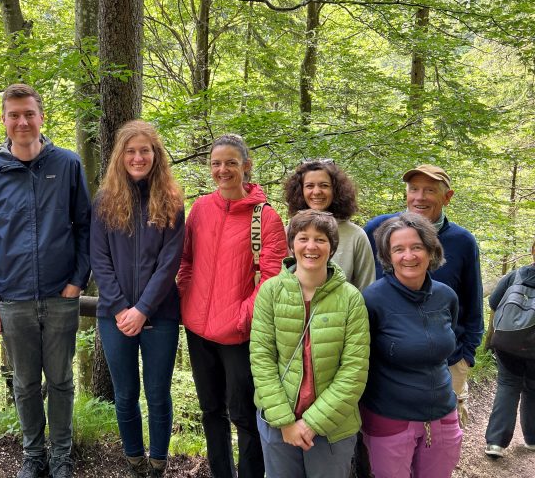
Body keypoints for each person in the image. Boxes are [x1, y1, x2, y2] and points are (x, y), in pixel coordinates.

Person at [0, 83, 91, 478]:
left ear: (41, 117)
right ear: (4, 120)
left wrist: (77, 280)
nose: (22, 122)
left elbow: (84, 227)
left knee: (60, 380)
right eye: (13, 115)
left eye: (28, 114)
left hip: (61, 294)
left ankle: (60, 457)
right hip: (13, 296)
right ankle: (33, 455)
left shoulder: (68, 164)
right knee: (24, 384)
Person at [177, 134, 288, 478]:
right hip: (198, 330)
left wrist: (240, 318)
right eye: (216, 163)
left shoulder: (266, 218)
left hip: (240, 334)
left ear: (246, 166)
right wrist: (187, 299)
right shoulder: (200, 209)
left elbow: (271, 281)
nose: (222, 170)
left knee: (243, 414)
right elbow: (185, 261)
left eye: (230, 163)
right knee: (211, 410)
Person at [91, 120, 185, 477]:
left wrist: (143, 309)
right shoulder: (104, 201)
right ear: (120, 157)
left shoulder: (172, 201)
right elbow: (99, 258)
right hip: (113, 316)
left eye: (145, 150)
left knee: (158, 394)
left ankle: (158, 463)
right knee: (126, 395)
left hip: (159, 315)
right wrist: (120, 308)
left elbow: (169, 262)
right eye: (130, 151)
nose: (138, 157)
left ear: (155, 154)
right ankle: (134, 462)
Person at [250, 209, 370, 478]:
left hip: (333, 427)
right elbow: (261, 358)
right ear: (292, 243)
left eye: (320, 239)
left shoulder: (350, 299)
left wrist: (312, 423)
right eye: (303, 238)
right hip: (278, 421)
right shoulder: (270, 292)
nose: (311, 246)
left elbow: (354, 370)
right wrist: (285, 421)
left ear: (332, 247)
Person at [364, 164, 483, 428]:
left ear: (447, 197)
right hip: (387, 361)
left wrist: (465, 355)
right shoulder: (377, 229)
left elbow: (473, 302)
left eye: (429, 190)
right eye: (414, 189)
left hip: (447, 361)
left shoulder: (462, 241)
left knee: (443, 438)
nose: (419, 197)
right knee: (387, 437)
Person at [362, 212, 462, 478]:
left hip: (442, 415)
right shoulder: (372, 300)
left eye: (417, 247)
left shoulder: (446, 296)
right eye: (399, 249)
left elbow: (448, 342)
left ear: (430, 251)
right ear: (388, 256)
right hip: (390, 419)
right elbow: (359, 361)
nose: (409, 256)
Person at [284, 160, 375, 290]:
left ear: (336, 190)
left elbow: (366, 288)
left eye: (324, 185)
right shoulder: (288, 232)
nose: (316, 192)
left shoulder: (355, 235)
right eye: (309, 186)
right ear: (300, 191)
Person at [484, 239, 535, 458]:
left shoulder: (515, 275)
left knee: (507, 386)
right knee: (533, 390)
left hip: (508, 343)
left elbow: (494, 303)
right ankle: (532, 439)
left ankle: (496, 443)